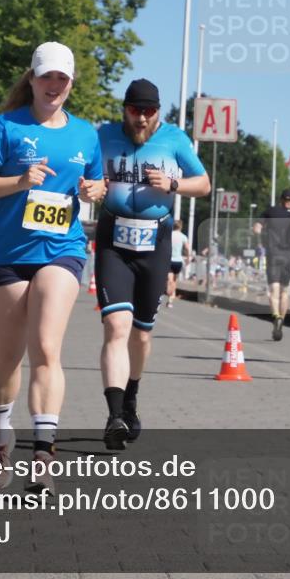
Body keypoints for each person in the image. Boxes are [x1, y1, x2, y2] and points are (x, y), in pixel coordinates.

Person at [0, 42, 106, 492]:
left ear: (71, 83)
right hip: (7, 253)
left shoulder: (85, 134)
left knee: (46, 346)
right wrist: (19, 181)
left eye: (61, 79)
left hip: (61, 248)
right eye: (46, 77)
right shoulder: (4, 127)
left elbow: (97, 181)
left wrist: (94, 192)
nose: (53, 86)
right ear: (32, 79)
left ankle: (43, 449)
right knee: (8, 356)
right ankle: (0, 439)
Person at [95, 79, 210, 449]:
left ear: (159, 112)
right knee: (115, 324)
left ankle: (130, 397)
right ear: (124, 109)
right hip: (113, 237)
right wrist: (92, 185)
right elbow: (82, 172)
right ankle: (114, 417)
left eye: (149, 112)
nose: (141, 119)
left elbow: (204, 184)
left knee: (141, 334)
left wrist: (174, 184)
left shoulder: (175, 140)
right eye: (134, 111)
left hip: (155, 241)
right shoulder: (105, 135)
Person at [253, 188, 290, 340]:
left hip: (273, 253)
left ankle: (275, 315)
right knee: (284, 291)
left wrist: (262, 237)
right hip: (289, 255)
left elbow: (256, 229)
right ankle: (281, 320)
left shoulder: (269, 212)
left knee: (273, 289)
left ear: (281, 198)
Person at [166, 220, 191, 307]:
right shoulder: (183, 236)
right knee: (174, 280)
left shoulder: (169, 234)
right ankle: (171, 298)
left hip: (169, 260)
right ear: (180, 227)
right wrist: (188, 258)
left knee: (170, 280)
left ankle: (170, 296)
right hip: (178, 261)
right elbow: (187, 248)